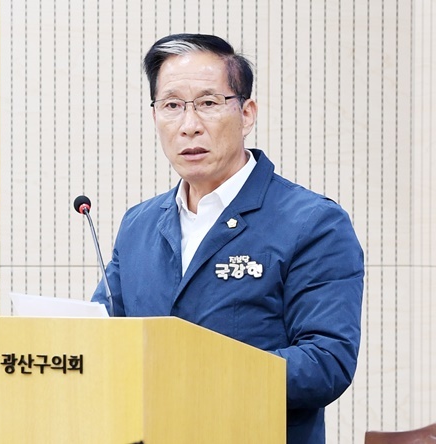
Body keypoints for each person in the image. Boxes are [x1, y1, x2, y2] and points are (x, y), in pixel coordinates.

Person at [91, 33, 364, 444]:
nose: (189, 126)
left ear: (246, 114)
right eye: (172, 106)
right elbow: (103, 336)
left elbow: (326, 362)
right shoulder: (139, 225)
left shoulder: (313, 222)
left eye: (208, 103)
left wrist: (197, 375)